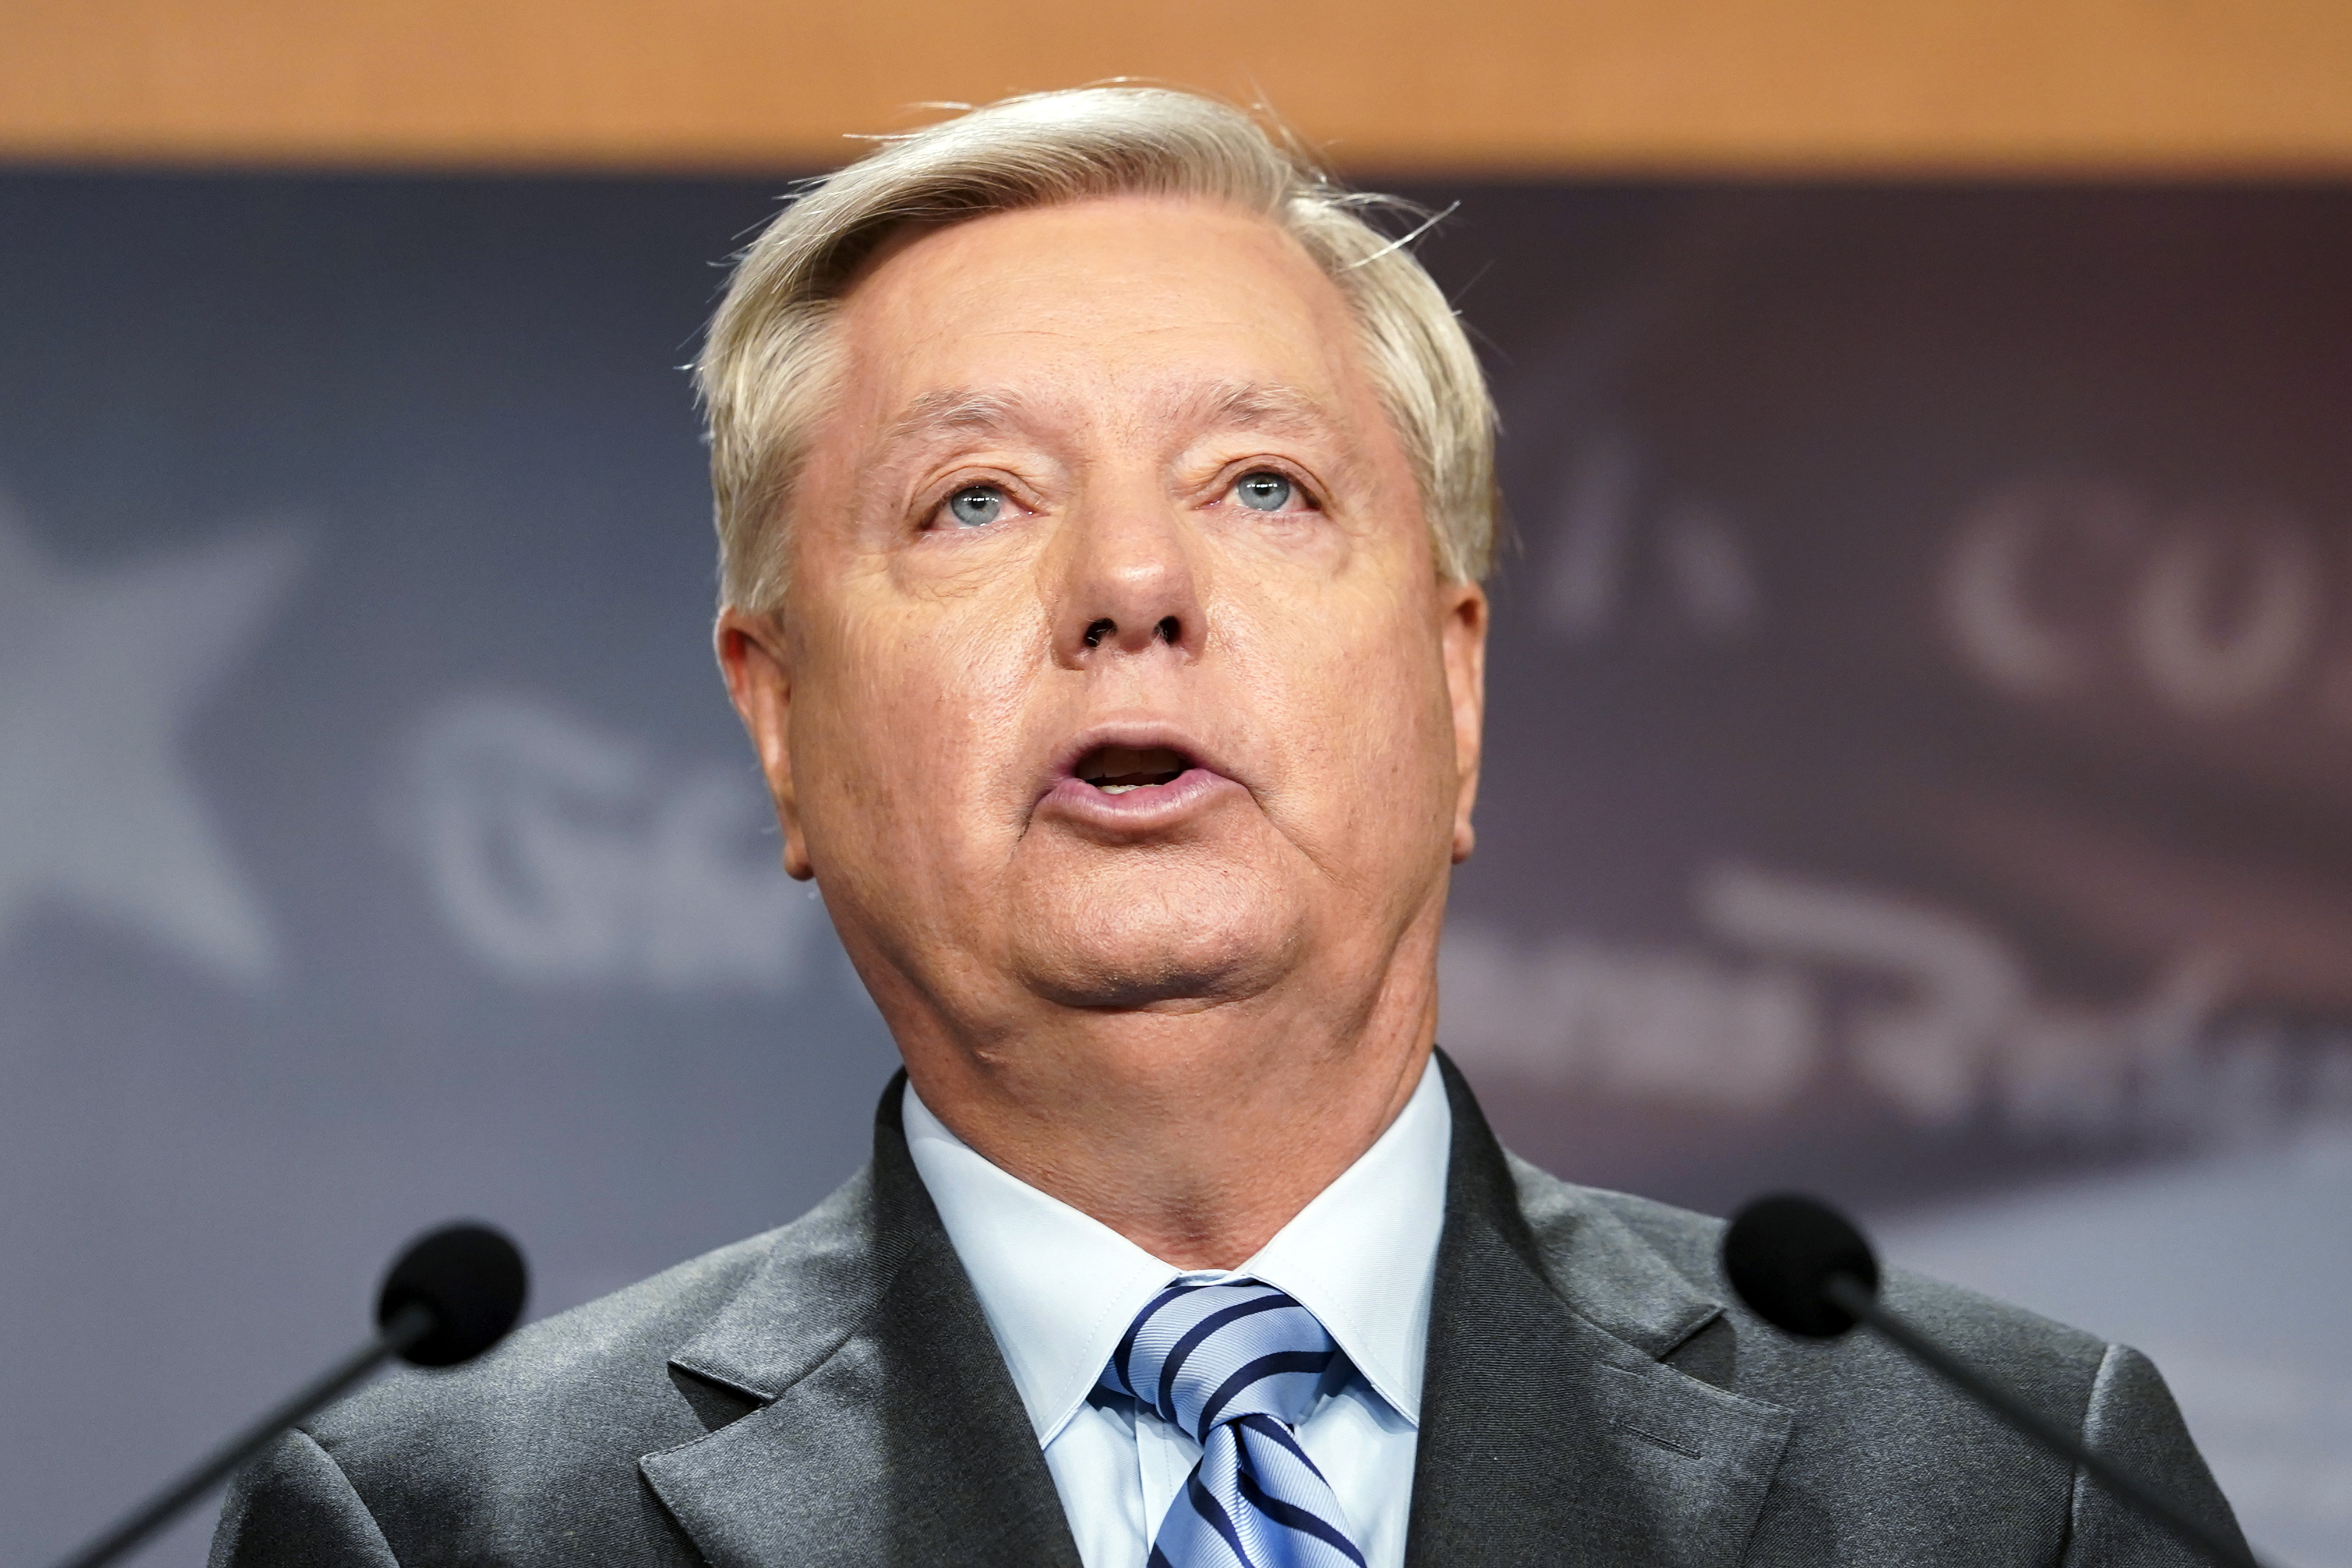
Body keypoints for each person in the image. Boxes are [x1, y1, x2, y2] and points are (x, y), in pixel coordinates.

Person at [211, 86, 2243, 1567]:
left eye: (1262, 485)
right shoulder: (447, 1525)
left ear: (1455, 690)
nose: (1131, 585)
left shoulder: (2007, 1488)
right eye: (975, 499)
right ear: (780, 726)